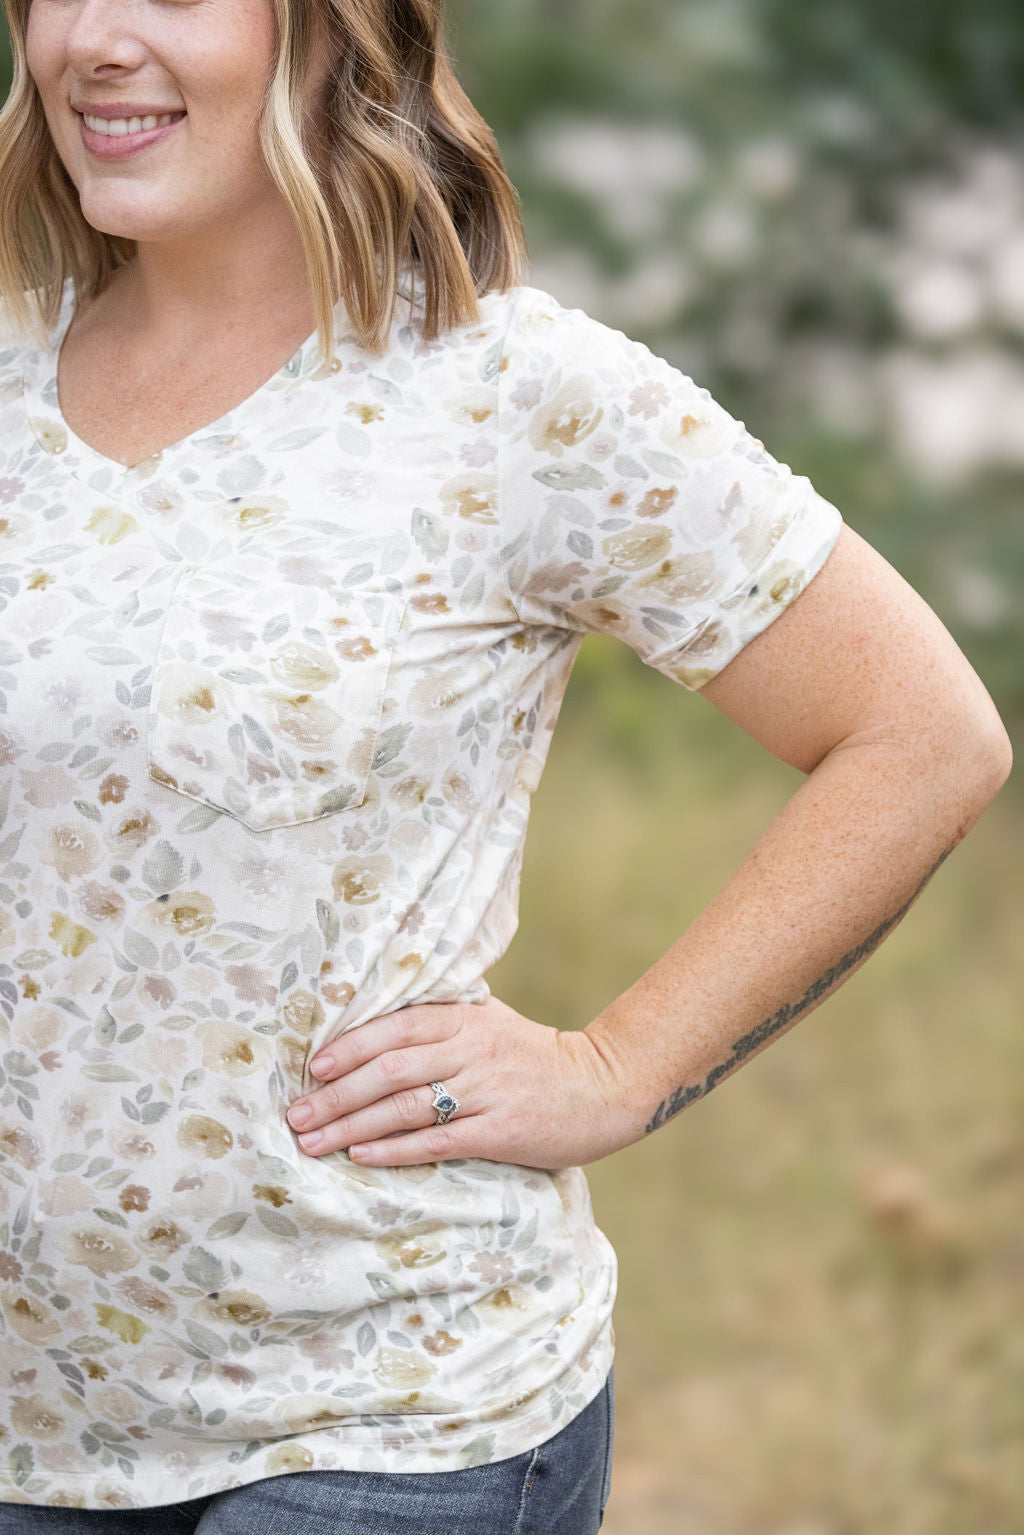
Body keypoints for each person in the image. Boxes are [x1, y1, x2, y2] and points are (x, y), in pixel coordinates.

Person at [0, 0, 1012, 1528]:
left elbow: (921, 736)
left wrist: (613, 1070)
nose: (93, 38)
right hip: (38, 1428)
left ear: (332, 32)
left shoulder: (507, 394)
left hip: (384, 1418)